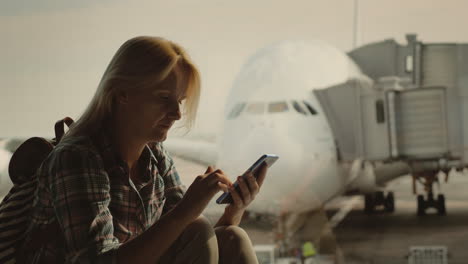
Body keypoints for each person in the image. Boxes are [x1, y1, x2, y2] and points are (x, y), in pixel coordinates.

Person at [20, 36, 267, 264]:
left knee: (232, 237)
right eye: (163, 98)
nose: (177, 114)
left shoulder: (155, 157)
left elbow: (192, 244)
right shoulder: (78, 158)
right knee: (198, 228)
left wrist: (234, 211)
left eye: (179, 101)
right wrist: (186, 209)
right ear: (122, 93)